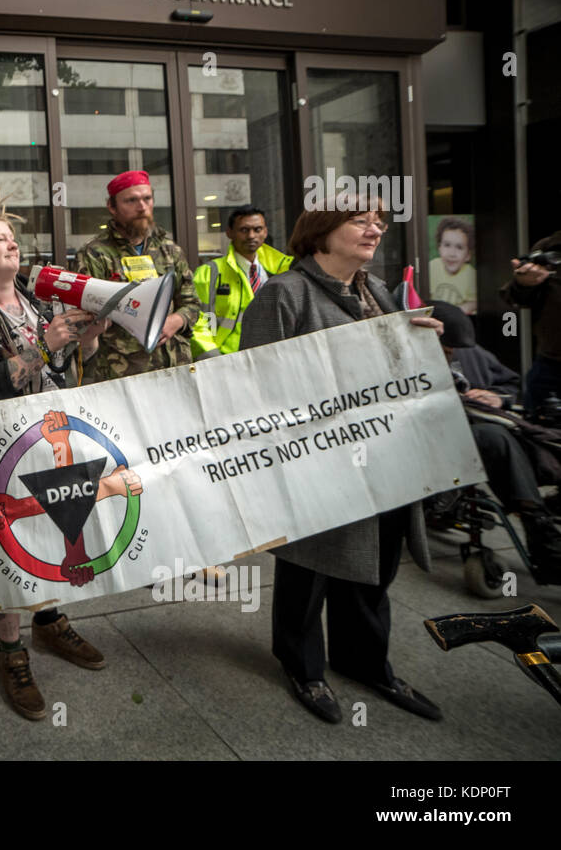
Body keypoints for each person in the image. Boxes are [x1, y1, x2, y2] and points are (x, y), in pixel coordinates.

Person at [241, 199, 446, 724]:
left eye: (378, 221)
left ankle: (365, 663)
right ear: (320, 233)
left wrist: (418, 346)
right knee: (308, 568)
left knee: (374, 565)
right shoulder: (284, 294)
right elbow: (254, 389)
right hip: (318, 464)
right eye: (360, 221)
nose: (375, 228)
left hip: (385, 456)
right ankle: (303, 668)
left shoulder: (375, 289)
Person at [0, 204, 113, 721]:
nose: (13, 245)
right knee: (7, 542)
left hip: (46, 437)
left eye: (13, 239)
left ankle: (49, 620)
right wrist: (46, 343)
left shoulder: (32, 299)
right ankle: (11, 651)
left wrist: (87, 336)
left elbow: (62, 365)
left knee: (54, 529)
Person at [428, 300, 561, 583]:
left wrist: (497, 397)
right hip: (445, 439)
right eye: (446, 349)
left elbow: (510, 383)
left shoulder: (472, 353)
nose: (451, 354)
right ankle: (539, 528)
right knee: (495, 437)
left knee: (531, 436)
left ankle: (546, 510)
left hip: (495, 428)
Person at [75, 170, 201, 381]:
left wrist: (175, 321)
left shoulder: (169, 250)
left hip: (174, 367)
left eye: (147, 198)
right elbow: (87, 315)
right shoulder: (95, 253)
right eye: (131, 200)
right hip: (120, 373)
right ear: (112, 206)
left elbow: (192, 303)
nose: (141, 207)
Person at [191, 205, 294, 359]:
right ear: (229, 233)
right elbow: (197, 321)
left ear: (265, 232)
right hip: (227, 360)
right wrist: (214, 360)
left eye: (257, 229)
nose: (251, 236)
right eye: (244, 230)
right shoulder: (209, 273)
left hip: (275, 358)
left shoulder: (283, 271)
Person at [502, 231, 561, 414]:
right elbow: (515, 298)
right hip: (552, 366)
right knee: (540, 435)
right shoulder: (550, 247)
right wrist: (523, 283)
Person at [428, 217, 477, 315]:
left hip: (458, 318)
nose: (452, 253)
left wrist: (458, 312)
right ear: (439, 248)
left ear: (468, 255)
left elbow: (474, 302)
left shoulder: (471, 274)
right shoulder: (432, 267)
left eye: (459, 247)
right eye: (447, 245)